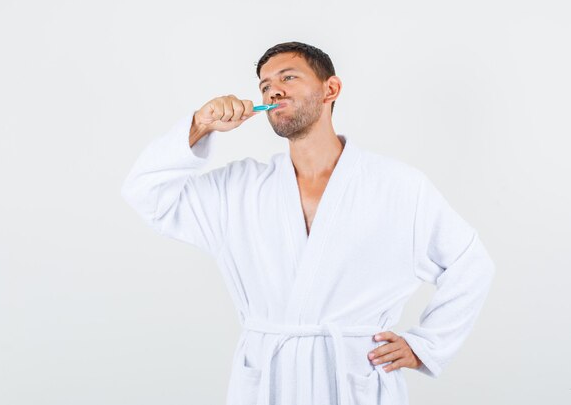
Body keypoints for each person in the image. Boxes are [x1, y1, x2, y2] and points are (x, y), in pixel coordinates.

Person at [120, 41, 496, 405]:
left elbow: (470, 264)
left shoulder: (398, 186)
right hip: (268, 379)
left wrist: (424, 346)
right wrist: (199, 125)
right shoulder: (237, 189)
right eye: (265, 85)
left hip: (354, 378)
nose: (275, 91)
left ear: (330, 88)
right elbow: (146, 194)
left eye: (288, 78)